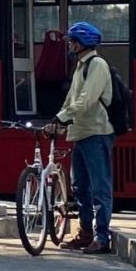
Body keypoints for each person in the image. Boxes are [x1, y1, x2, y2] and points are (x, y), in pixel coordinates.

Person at [43, 22, 114, 254]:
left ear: (83, 42)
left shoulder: (97, 65)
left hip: (96, 132)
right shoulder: (80, 67)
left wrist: (62, 118)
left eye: (73, 41)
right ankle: (85, 233)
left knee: (99, 187)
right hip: (80, 133)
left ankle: (102, 238)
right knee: (80, 187)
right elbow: (70, 101)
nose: (70, 45)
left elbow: (85, 102)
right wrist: (57, 121)